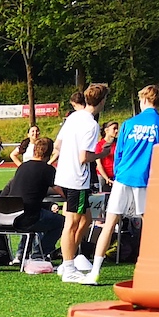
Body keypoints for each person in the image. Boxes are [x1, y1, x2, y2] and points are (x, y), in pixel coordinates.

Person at [73, 86, 159, 285]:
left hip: (123, 177)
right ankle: (155, 270)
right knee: (150, 226)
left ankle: (94, 272)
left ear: (144, 100)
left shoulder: (128, 124)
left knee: (109, 224)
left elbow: (119, 154)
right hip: (145, 179)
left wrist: (119, 173)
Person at [52, 83, 107, 272]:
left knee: (86, 219)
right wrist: (101, 154)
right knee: (72, 223)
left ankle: (69, 259)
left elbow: (58, 145)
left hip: (64, 175)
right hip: (77, 178)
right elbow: (84, 157)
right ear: (102, 101)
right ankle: (67, 267)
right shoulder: (91, 124)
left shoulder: (73, 117)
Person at [2, 134, 64, 260]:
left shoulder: (22, 167)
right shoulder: (47, 169)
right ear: (49, 153)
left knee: (38, 214)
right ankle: (39, 254)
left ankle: (22, 253)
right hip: (27, 218)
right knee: (62, 222)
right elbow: (61, 191)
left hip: (7, 216)